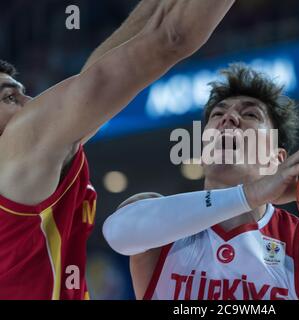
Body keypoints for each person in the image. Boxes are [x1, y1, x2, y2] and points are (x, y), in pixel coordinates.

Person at [103, 65, 299, 300]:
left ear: (277, 157)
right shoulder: (159, 222)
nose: (229, 118)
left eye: (251, 114)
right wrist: (251, 193)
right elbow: (118, 233)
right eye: (218, 114)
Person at [0, 0, 235, 299]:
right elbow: (169, 36)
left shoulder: (36, 156)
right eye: (9, 98)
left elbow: (121, 52)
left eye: (23, 92)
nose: (29, 104)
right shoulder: (21, 144)